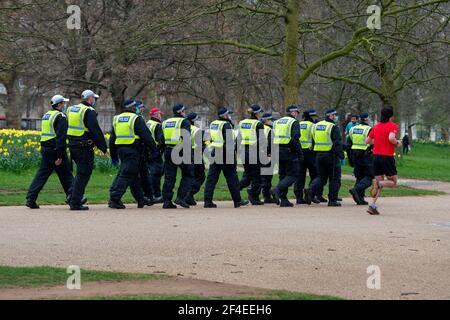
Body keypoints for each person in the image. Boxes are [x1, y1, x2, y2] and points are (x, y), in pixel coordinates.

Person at [26, 95, 76, 209]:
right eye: (63, 103)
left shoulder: (47, 115)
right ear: (58, 105)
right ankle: (74, 198)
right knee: (66, 174)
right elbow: (61, 138)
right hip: (55, 149)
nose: (64, 105)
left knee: (42, 174)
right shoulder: (61, 116)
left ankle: (31, 198)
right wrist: (59, 155)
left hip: (45, 148)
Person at [108, 99, 157, 209]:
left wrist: (114, 156)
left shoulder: (117, 118)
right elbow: (147, 136)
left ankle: (141, 200)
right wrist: (154, 150)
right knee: (126, 175)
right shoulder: (136, 118)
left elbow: (112, 139)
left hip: (121, 150)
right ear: (132, 107)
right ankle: (114, 198)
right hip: (133, 150)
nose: (137, 108)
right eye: (136, 106)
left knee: (133, 176)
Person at [67, 89, 108, 211]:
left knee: (80, 173)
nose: (94, 100)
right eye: (94, 98)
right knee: (83, 174)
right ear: (90, 99)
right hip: (83, 147)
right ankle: (75, 202)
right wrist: (103, 147)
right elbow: (95, 130)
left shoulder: (71, 109)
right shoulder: (88, 111)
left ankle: (71, 196)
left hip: (73, 145)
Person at [203, 107, 249, 208]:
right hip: (226, 154)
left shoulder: (213, 123)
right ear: (224, 116)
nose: (230, 116)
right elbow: (228, 142)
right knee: (232, 178)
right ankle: (237, 201)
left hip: (216, 152)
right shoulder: (226, 125)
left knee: (212, 178)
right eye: (228, 114)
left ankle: (207, 201)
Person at [365, 106, 401, 215]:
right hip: (387, 157)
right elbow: (391, 138)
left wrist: (379, 142)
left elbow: (367, 141)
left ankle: (372, 206)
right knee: (393, 183)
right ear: (391, 116)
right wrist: (397, 143)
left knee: (380, 185)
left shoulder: (375, 127)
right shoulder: (393, 126)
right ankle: (379, 183)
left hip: (376, 157)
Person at [309, 109, 344, 207]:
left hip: (319, 155)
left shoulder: (316, 126)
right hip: (331, 155)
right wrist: (341, 155)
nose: (336, 117)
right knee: (334, 178)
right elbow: (337, 142)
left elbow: (313, 140)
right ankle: (332, 200)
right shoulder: (333, 127)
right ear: (331, 116)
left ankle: (310, 190)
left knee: (321, 177)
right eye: (335, 115)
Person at [270, 105, 304, 207]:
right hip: (289, 151)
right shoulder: (293, 122)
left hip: (277, 150)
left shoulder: (277, 122)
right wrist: (300, 153)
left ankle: (283, 199)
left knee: (283, 175)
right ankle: (277, 189)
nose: (297, 115)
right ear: (293, 112)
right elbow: (295, 139)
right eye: (297, 113)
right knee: (293, 175)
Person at [161, 104, 193, 209]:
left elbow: (161, 138)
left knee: (169, 177)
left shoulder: (166, 122)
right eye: (184, 111)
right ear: (181, 112)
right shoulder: (184, 122)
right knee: (188, 174)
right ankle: (180, 197)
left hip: (168, 150)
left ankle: (166, 201)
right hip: (180, 151)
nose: (185, 112)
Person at [238, 104, 265, 205]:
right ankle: (254, 197)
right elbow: (261, 140)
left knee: (247, 175)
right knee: (256, 176)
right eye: (259, 112)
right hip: (254, 151)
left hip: (244, 150)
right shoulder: (258, 124)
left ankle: (235, 191)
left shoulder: (242, 122)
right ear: (257, 113)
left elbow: (239, 138)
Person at [294, 109, 318, 205]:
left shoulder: (298, 124)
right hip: (310, 152)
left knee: (300, 175)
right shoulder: (313, 126)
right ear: (311, 117)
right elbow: (315, 139)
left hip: (299, 152)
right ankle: (311, 194)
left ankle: (299, 198)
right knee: (314, 174)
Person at [348, 112, 373, 205]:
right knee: (370, 176)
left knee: (360, 176)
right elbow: (373, 142)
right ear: (366, 119)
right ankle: (356, 189)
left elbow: (349, 143)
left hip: (355, 155)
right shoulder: (369, 129)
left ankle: (360, 198)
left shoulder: (352, 129)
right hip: (366, 155)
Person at [186, 112, 206, 206]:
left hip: (184, 154)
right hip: (196, 154)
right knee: (200, 176)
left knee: (190, 176)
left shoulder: (184, 128)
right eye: (197, 119)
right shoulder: (197, 130)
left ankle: (188, 196)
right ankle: (189, 194)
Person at [146, 107, 165, 203]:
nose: (160, 116)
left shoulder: (147, 123)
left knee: (148, 173)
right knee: (156, 174)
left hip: (146, 151)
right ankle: (156, 194)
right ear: (155, 115)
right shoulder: (157, 125)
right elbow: (161, 140)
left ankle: (148, 193)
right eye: (159, 114)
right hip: (155, 151)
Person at [260, 112, 278, 204]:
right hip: (267, 155)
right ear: (266, 120)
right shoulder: (269, 130)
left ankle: (262, 195)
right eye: (270, 120)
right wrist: (269, 154)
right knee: (267, 176)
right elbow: (271, 143)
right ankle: (267, 197)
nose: (272, 121)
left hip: (258, 154)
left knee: (262, 176)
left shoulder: (259, 128)